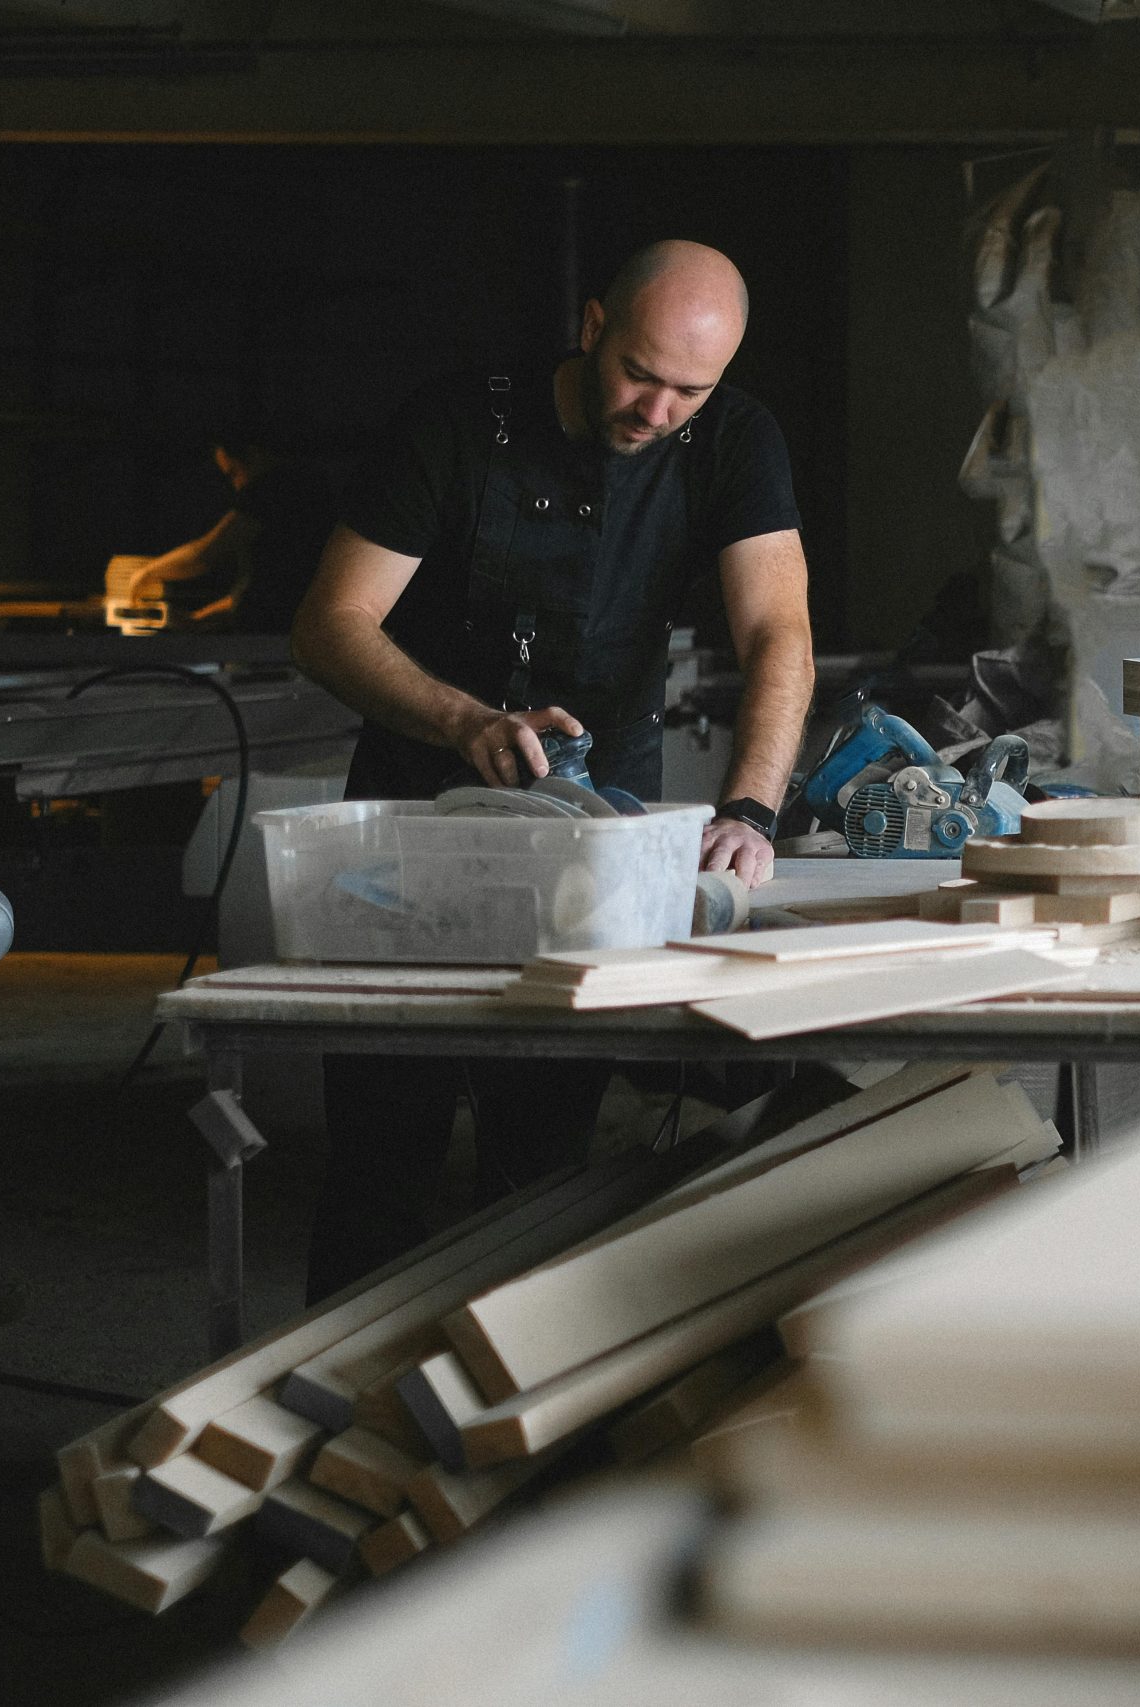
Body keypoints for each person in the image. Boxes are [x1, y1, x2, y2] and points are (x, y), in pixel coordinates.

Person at [288, 239, 815, 1299]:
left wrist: (751, 808)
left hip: (597, 823)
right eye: (638, 374)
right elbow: (329, 623)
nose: (657, 411)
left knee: (546, 1153)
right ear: (591, 328)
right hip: (418, 810)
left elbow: (778, 632)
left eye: (689, 392)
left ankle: (520, 1378)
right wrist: (461, 719)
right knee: (385, 1141)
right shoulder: (453, 424)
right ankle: (340, 1386)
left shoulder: (734, 437)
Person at [127, 439, 340, 632]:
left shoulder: (272, 490)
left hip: (278, 637)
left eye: (233, 473)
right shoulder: (309, 488)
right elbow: (261, 592)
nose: (237, 487)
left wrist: (147, 572)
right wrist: (197, 619)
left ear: (254, 454)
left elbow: (206, 554)